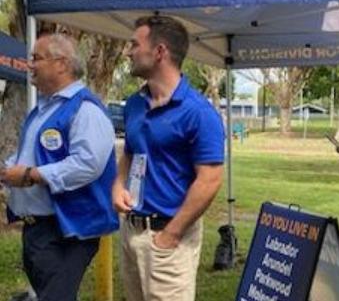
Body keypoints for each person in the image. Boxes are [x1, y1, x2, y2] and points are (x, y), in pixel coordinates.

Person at [112, 15, 225, 301]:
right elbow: (130, 151)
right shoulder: (135, 104)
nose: (128, 52)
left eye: (135, 45)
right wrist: (118, 185)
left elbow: (210, 180)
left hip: (169, 239)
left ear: (160, 52)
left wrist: (171, 234)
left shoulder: (198, 112)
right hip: (131, 232)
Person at [0, 33, 118, 301]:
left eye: (36, 58)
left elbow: (87, 164)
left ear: (61, 64)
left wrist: (30, 175)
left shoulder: (86, 110)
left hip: (67, 232)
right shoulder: (42, 110)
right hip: (38, 230)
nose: (30, 64)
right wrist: (10, 171)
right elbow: (27, 157)